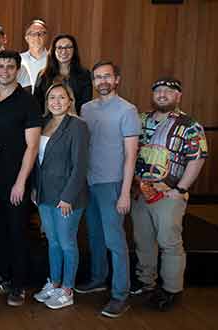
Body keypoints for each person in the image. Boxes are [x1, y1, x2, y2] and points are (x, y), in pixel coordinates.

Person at [131, 77, 208, 311]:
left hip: (167, 195)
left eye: (168, 91)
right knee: (143, 241)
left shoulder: (189, 125)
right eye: (158, 91)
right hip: (140, 193)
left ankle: (171, 289)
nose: (162, 95)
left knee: (169, 242)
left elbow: (197, 158)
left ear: (178, 96)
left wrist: (180, 189)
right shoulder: (140, 120)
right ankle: (146, 282)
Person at [0, 51, 41, 307]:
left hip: (17, 179)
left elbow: (32, 147)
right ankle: (0, 277)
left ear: (17, 70)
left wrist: (21, 182)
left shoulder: (28, 101)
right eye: (0, 66)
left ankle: (18, 285)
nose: (4, 71)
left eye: (10, 66)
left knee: (17, 233)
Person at [76, 60, 140, 318]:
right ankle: (98, 278)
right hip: (89, 182)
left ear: (117, 80)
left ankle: (120, 294)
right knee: (94, 236)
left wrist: (125, 192)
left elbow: (131, 155)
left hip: (112, 183)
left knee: (115, 240)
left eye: (107, 77)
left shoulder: (128, 110)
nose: (102, 81)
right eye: (98, 77)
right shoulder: (86, 108)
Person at [31, 83, 89, 310]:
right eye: (51, 98)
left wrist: (68, 197)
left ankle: (67, 289)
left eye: (61, 97)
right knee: (53, 242)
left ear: (70, 100)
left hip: (67, 197)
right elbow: (38, 162)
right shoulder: (44, 124)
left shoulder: (78, 126)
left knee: (67, 243)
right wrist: (35, 188)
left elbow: (80, 166)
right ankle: (54, 283)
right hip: (45, 194)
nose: (56, 102)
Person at [33, 34, 92, 115]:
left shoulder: (84, 74)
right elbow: (36, 103)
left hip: (76, 121)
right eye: (60, 48)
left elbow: (86, 104)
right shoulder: (43, 75)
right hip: (48, 122)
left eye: (68, 47)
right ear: (54, 51)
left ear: (74, 50)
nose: (64, 51)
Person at [20, 19, 48, 92]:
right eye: (33, 34)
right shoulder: (19, 59)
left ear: (46, 37)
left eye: (41, 33)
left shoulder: (53, 59)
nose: (37, 37)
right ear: (26, 38)